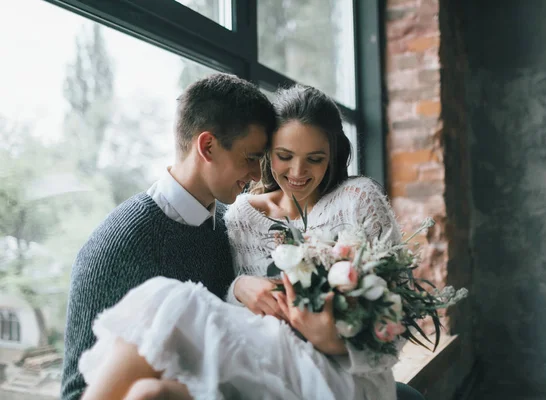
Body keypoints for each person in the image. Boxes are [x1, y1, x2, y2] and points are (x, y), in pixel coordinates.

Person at [76, 85, 424, 400]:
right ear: (268, 153)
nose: (298, 172)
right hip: (265, 361)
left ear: (332, 155)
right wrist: (240, 287)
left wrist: (330, 339)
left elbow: (400, 323)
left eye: (315, 159)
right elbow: (236, 312)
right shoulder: (239, 215)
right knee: (150, 394)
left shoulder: (357, 199)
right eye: (282, 156)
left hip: (341, 374)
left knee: (169, 301)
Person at [60, 73, 277, 400]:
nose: (257, 175)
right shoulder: (120, 245)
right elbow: (77, 392)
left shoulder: (228, 224)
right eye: (250, 158)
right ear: (207, 146)